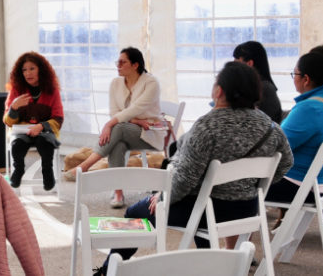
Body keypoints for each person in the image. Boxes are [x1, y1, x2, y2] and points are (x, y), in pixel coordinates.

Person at [96, 62, 293, 274]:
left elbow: (183, 180)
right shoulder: (270, 126)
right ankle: (212, 267)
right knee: (201, 195)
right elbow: (286, 162)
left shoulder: (207, 127)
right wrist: (252, 185)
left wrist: (161, 197)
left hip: (207, 211)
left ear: (219, 91)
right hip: (247, 209)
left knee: (135, 213)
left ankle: (106, 272)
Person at [65, 47, 162, 207]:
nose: (118, 65)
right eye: (117, 62)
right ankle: (118, 193)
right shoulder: (115, 83)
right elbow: (114, 113)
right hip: (131, 130)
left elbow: (135, 109)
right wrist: (135, 121)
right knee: (118, 143)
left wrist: (111, 124)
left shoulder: (151, 83)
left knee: (118, 129)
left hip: (150, 133)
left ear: (135, 65)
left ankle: (84, 167)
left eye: (122, 62)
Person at [265, 53, 323, 205]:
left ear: (306, 79)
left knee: (239, 185)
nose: (293, 78)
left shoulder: (310, 108)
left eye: (295, 74)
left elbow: (275, 146)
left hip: (302, 185)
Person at [3, 52, 64, 191]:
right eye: (24, 70)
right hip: (22, 130)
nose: (28, 73)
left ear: (40, 70)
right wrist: (14, 108)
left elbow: (58, 118)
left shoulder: (52, 91)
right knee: (17, 144)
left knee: (45, 143)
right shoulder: (16, 90)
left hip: (45, 130)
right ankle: (18, 170)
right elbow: (8, 122)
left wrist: (41, 126)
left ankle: (47, 171)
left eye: (32, 68)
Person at [233, 41, 283, 123]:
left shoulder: (263, 89)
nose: (233, 68)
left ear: (249, 63)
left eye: (236, 63)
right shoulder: (257, 86)